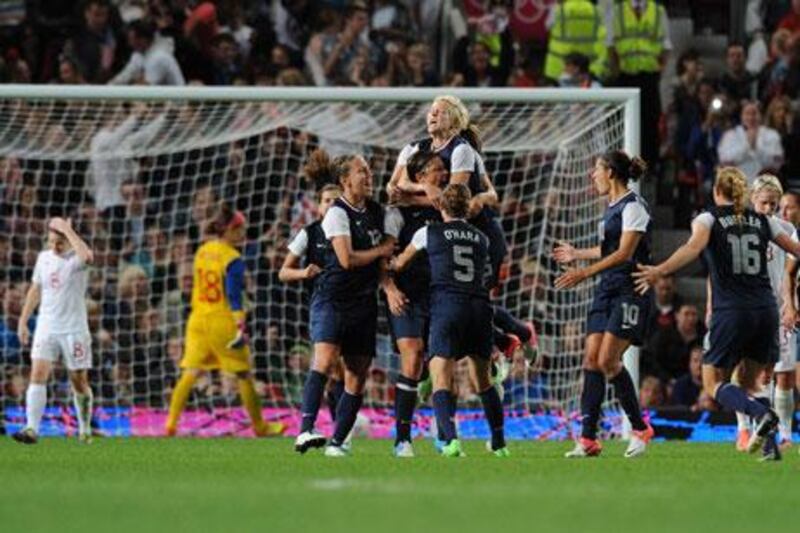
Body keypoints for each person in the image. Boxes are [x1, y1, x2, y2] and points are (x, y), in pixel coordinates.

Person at [634, 167, 800, 461]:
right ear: (744, 194)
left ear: (715, 191)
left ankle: (762, 414)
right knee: (754, 382)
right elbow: (795, 250)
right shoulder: (762, 221)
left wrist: (659, 270)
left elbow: (692, 248)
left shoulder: (708, 218)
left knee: (713, 382)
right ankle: (771, 447)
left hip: (732, 311)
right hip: (766, 311)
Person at [387, 94, 537, 361]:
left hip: (480, 237)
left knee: (471, 302)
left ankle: (510, 341)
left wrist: (412, 193)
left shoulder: (461, 150)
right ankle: (505, 342)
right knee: (453, 301)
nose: (433, 115)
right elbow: (392, 188)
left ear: (455, 121)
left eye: (441, 112)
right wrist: (424, 186)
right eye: (431, 110)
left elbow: (452, 198)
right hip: (448, 237)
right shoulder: (413, 149)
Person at [391, 183, 509, 458]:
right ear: (467, 208)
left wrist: (390, 262)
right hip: (479, 308)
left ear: (440, 206)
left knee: (441, 377)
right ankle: (500, 443)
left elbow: (401, 263)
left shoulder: (427, 232)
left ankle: (451, 442)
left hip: (448, 307)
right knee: (483, 382)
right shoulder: (482, 238)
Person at [553, 150, 654, 459]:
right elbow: (607, 248)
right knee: (591, 359)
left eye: (595, 169)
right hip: (607, 289)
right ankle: (587, 440)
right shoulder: (610, 209)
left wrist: (583, 272)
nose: (591, 175)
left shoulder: (634, 206)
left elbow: (624, 253)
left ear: (610, 172)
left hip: (629, 289)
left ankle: (640, 429)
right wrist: (578, 254)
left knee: (609, 360)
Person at [293, 149, 394, 457]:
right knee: (323, 361)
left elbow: (388, 252)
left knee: (357, 375)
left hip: (364, 303)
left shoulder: (379, 212)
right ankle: (306, 429)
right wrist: (382, 250)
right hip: (332, 298)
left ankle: (338, 442)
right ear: (345, 180)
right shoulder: (337, 212)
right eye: (362, 171)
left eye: (369, 170)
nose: (369, 175)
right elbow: (347, 259)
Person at [164, 205, 284, 438]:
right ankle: (260, 426)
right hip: (222, 321)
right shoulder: (233, 258)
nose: (243, 233)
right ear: (229, 230)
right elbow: (233, 295)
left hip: (198, 319)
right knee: (243, 375)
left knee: (190, 372)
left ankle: (170, 424)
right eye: (240, 229)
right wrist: (240, 322)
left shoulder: (202, 250)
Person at [383, 151, 448, 457]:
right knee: (412, 357)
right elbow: (383, 257)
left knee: (439, 364)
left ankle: (444, 432)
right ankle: (403, 438)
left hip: (438, 294)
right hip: (406, 294)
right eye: (437, 170)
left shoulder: (445, 210)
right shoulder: (395, 214)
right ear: (419, 176)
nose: (444, 175)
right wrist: (389, 288)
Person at [13, 218, 95, 444]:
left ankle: (85, 427)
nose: (54, 247)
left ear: (69, 240)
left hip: (74, 329)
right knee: (37, 374)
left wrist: (67, 230)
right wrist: (23, 320)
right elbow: (35, 289)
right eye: (51, 242)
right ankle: (31, 428)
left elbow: (88, 257)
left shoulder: (77, 258)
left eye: (59, 242)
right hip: (47, 327)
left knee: (78, 380)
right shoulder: (44, 259)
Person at [278, 183, 346, 445]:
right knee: (325, 362)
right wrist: (303, 273)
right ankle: (306, 427)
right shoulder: (309, 233)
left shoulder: (352, 232)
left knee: (341, 371)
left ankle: (342, 430)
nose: (330, 204)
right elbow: (283, 272)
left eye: (335, 200)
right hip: (324, 305)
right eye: (326, 200)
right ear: (318, 206)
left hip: (354, 306)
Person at [734, 175, 796, 450]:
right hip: (744, 307)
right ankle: (743, 429)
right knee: (743, 368)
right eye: (764, 203)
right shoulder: (736, 228)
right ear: (752, 200)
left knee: (781, 372)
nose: (769, 208)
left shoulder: (786, 230)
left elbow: (790, 272)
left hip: (778, 309)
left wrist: (791, 304)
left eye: (774, 204)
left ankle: (783, 435)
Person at [717, 101, 783, 185]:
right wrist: (747, 146)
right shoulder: (730, 135)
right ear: (741, 116)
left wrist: (756, 146)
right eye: (747, 114)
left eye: (754, 113)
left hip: (764, 185)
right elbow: (725, 159)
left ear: (760, 115)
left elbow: (775, 162)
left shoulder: (772, 135)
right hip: (737, 184)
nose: (751, 117)